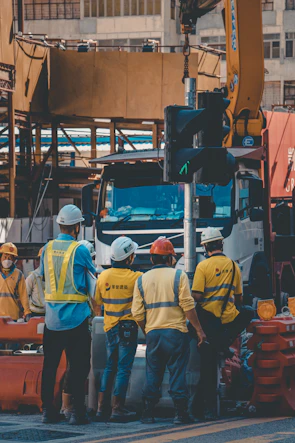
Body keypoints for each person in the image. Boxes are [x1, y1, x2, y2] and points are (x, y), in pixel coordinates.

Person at [132, 237, 206, 425]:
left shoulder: (141, 279)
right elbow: (188, 305)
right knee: (177, 373)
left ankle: (147, 413)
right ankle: (181, 414)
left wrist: (148, 330)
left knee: (153, 373)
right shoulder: (178, 276)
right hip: (176, 334)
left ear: (152, 259)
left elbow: (137, 313)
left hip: (154, 334)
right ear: (170, 259)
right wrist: (199, 330)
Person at [40, 204, 96, 425]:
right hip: (76, 319)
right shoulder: (79, 250)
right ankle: (77, 412)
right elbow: (92, 278)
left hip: (52, 320)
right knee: (80, 366)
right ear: (77, 227)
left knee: (50, 366)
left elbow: (44, 275)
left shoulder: (47, 249)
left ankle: (47, 411)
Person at [191, 227, 253, 420]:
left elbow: (197, 296)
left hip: (208, 325)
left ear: (205, 247)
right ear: (221, 244)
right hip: (227, 323)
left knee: (208, 369)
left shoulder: (202, 267)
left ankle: (206, 411)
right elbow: (239, 297)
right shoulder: (234, 266)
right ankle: (222, 346)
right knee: (249, 312)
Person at [95, 236, 142, 423]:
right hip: (128, 328)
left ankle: (101, 408)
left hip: (110, 327)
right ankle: (117, 408)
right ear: (129, 258)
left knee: (110, 367)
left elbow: (97, 303)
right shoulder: (136, 278)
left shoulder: (103, 276)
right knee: (123, 369)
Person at [0, 242, 31, 322]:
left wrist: (27, 312)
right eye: (5, 257)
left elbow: (23, 295)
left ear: (14, 260)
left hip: (13, 316)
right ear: (0, 257)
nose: (7, 260)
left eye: (10, 258)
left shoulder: (19, 274)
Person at [26, 247, 45, 316]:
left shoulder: (54, 277)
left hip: (50, 313)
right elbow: (25, 296)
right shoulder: (32, 277)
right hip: (35, 313)